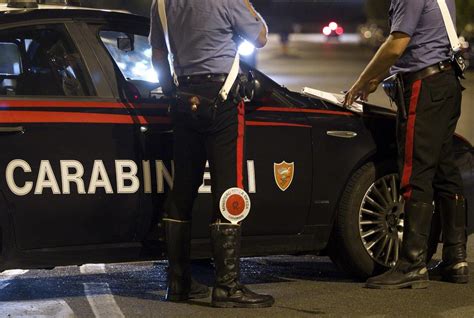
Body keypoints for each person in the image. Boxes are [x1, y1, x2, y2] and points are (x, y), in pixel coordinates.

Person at [149, 0, 274, 308]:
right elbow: (259, 36)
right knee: (228, 189)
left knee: (182, 190)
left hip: (183, 100)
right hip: (223, 102)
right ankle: (227, 286)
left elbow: (157, 54)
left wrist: (174, 94)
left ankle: (178, 283)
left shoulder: (161, 4)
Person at [344, 0, 468, 289]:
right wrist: (380, 78)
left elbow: (397, 43)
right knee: (445, 170)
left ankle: (412, 263)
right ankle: (456, 259)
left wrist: (362, 80)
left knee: (415, 171)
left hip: (424, 88)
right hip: (446, 82)